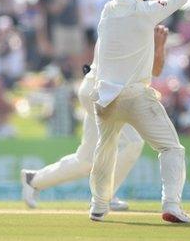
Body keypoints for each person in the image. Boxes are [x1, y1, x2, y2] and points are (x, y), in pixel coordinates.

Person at [88, 0, 190, 223]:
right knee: (171, 148)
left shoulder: (107, 11)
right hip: (135, 96)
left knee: (106, 149)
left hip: (105, 97)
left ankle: (99, 205)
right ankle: (171, 204)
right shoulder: (146, 12)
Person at [21, 24, 169, 211]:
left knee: (85, 160)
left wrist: (159, 46)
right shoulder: (120, 25)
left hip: (103, 94)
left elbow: (155, 71)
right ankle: (105, 196)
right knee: (133, 143)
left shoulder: (137, 26)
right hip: (100, 93)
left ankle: (33, 180)